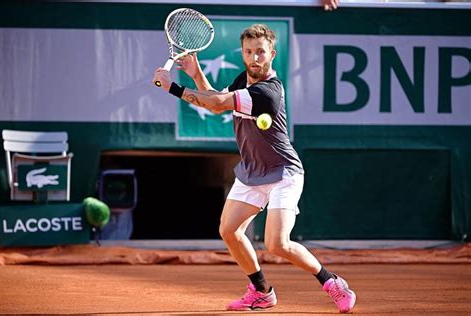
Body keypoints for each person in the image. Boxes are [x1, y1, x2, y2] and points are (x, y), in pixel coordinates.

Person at [152, 24, 356, 313]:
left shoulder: (267, 92)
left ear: (271, 54)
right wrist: (196, 74)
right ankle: (261, 292)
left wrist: (172, 87)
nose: (255, 58)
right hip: (252, 171)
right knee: (229, 230)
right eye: (249, 52)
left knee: (277, 243)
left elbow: (219, 105)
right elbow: (214, 99)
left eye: (260, 52)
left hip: (283, 171)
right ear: (244, 55)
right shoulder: (241, 81)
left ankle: (332, 282)